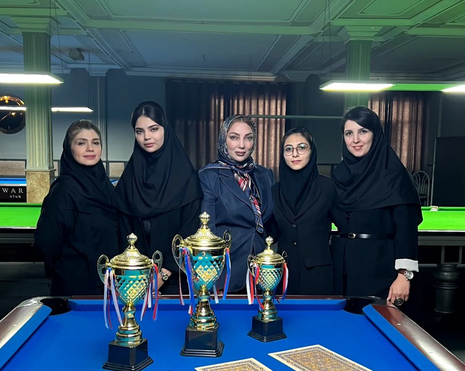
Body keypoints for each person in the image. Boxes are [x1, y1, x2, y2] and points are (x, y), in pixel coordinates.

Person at [331, 106, 421, 304]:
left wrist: (403, 276)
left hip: (380, 272)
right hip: (341, 272)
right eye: (349, 133)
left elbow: (406, 230)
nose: (355, 140)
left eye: (363, 131)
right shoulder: (339, 175)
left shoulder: (394, 175)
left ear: (375, 134)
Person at [115, 101, 202, 294]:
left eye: (153, 129)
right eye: (139, 131)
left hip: (176, 282)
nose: (147, 137)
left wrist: (163, 275)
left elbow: (189, 232)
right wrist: (137, 279)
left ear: (165, 129)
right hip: (134, 281)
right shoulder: (129, 180)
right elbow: (122, 232)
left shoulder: (186, 177)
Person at [34, 120, 119, 295]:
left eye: (96, 143)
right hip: (75, 288)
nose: (90, 148)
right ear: (69, 149)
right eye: (81, 143)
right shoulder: (63, 191)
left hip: (108, 286)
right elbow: (47, 244)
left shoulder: (106, 187)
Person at [199, 115, 274, 292]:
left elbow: (272, 223)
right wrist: (210, 277)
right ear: (223, 139)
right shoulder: (209, 175)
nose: (242, 145)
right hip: (227, 272)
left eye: (248, 138)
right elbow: (207, 230)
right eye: (234, 137)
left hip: (262, 271)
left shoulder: (264, 175)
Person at [270, 127, 334, 294]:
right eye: (288, 149)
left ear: (312, 151)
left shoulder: (328, 187)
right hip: (283, 275)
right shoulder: (274, 191)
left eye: (302, 147)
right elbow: (271, 232)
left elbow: (344, 228)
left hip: (318, 277)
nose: (295, 154)